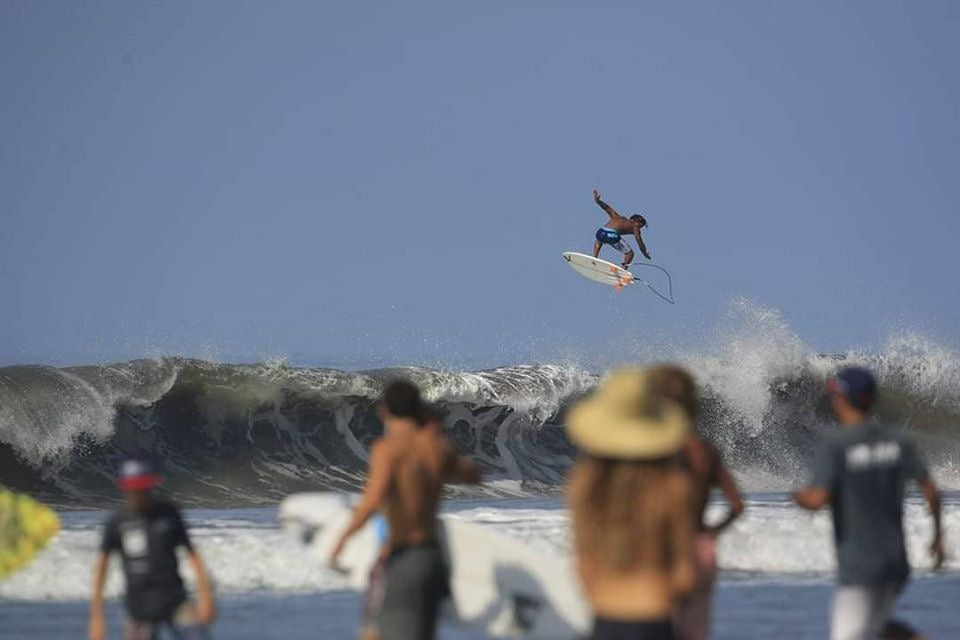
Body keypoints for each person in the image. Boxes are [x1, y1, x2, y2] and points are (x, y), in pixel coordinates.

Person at [793, 367, 945, 640]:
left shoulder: (836, 444)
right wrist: (938, 539)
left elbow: (817, 500)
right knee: (876, 628)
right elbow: (932, 491)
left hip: (859, 564)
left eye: (835, 396)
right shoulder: (899, 441)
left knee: (847, 635)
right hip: (896, 561)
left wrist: (797, 497)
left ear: (842, 398)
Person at [329, 380, 481, 640]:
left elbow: (372, 500)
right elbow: (474, 476)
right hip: (433, 558)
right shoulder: (436, 446)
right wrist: (440, 436)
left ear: (384, 410)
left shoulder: (387, 449)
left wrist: (342, 540)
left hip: (401, 558)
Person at [567, 369, 696, 640]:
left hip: (604, 615)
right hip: (655, 615)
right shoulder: (673, 486)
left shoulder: (584, 483)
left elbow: (583, 566)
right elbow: (685, 575)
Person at [647, 365, 744, 640]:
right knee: (695, 631)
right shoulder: (706, 451)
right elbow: (737, 506)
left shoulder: (656, 452)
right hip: (701, 549)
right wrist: (711, 533)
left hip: (664, 549)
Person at [88, 456, 216, 640]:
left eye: (143, 488)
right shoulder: (118, 521)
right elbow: (101, 566)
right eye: (134, 489)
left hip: (175, 600)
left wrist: (206, 597)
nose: (140, 493)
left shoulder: (168, 514)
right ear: (125, 488)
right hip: (139, 607)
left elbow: (192, 553)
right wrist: (97, 618)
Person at [592, 189, 651, 269]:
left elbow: (607, 208)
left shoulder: (617, 217)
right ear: (635, 221)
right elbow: (639, 241)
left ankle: (594, 258)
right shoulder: (635, 226)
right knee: (630, 253)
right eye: (641, 226)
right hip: (611, 235)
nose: (640, 228)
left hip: (600, 232)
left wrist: (598, 201)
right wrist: (644, 253)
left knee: (599, 240)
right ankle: (623, 270)